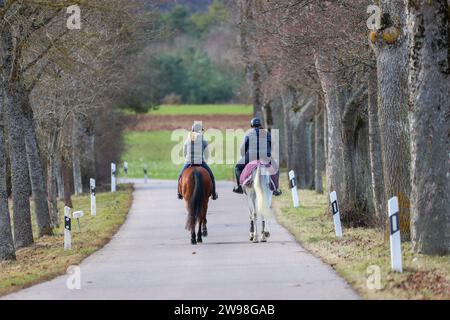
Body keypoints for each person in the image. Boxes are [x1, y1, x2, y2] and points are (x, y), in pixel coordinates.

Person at [233, 117, 282, 196]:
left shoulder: (248, 134)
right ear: (260, 125)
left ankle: (239, 187)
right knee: (276, 168)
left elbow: (242, 148)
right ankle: (276, 189)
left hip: (251, 156)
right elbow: (272, 146)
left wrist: (244, 157)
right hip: (265, 156)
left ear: (252, 125)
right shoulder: (267, 134)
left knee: (237, 168)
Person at [178, 122, 218, 200]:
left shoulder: (187, 139)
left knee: (180, 176)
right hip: (200, 161)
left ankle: (179, 193)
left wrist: (188, 159)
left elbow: (184, 153)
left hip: (188, 162)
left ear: (192, 129)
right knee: (211, 176)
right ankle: (213, 194)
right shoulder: (203, 139)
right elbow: (206, 154)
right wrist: (204, 160)